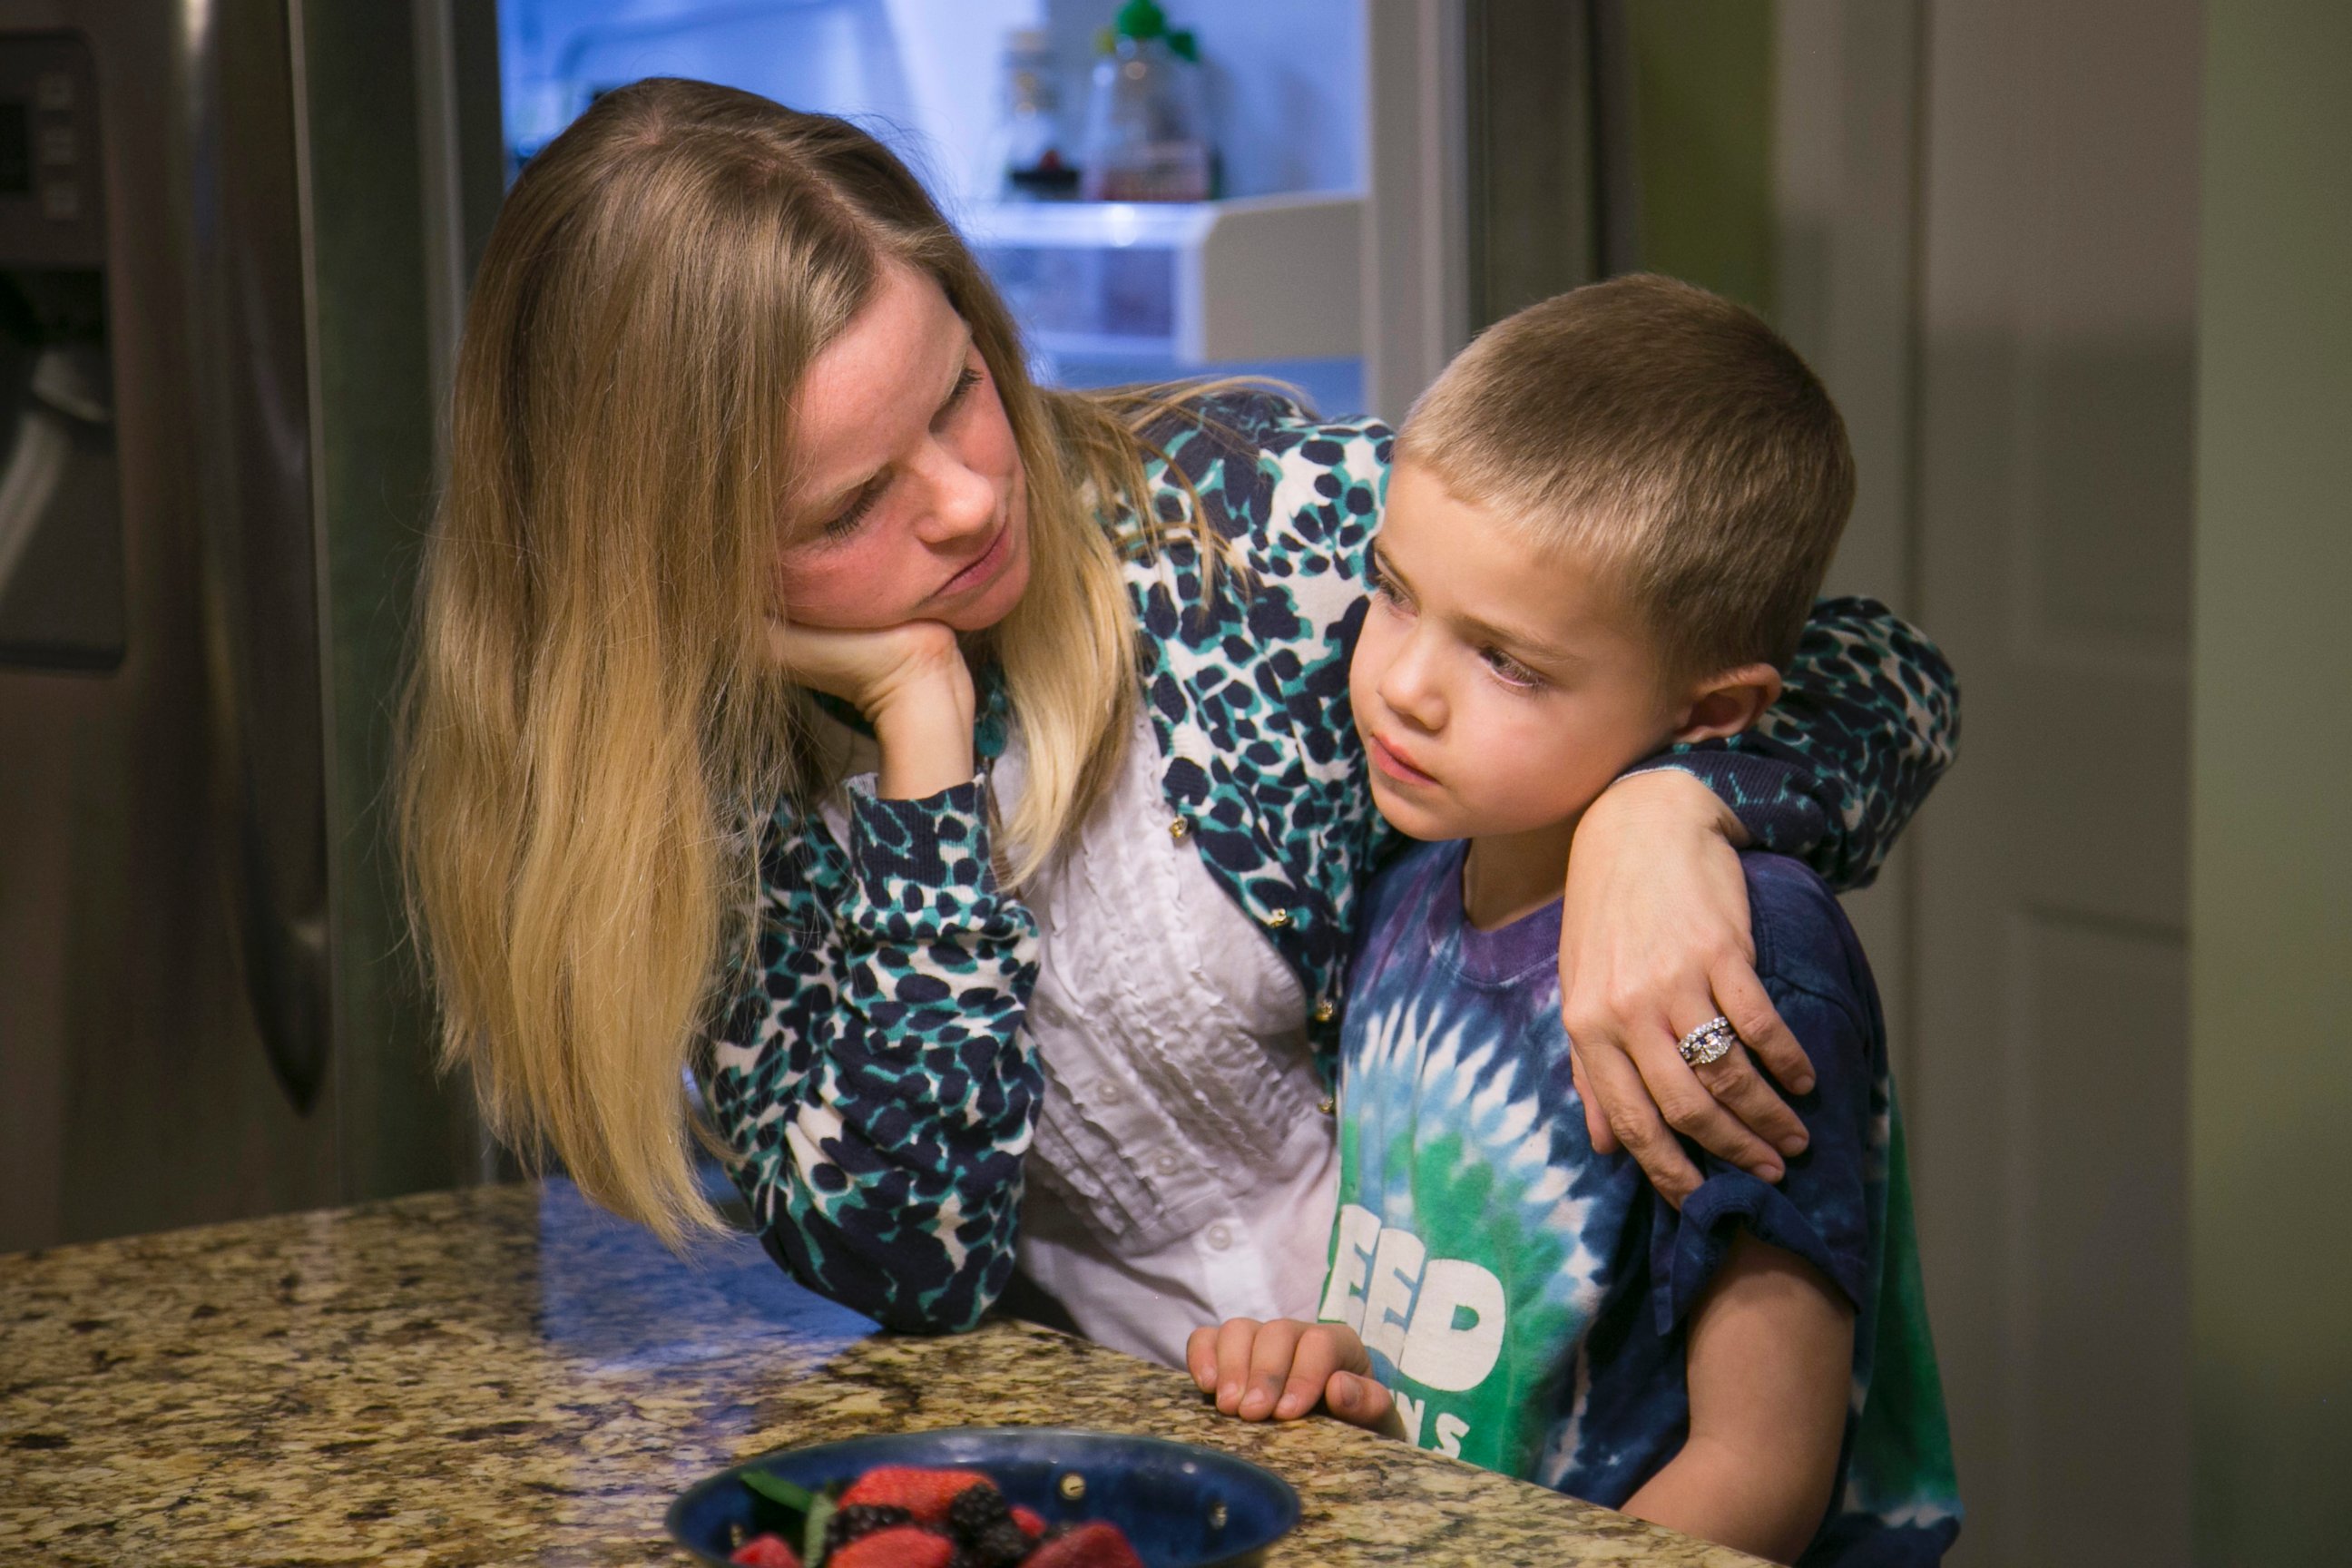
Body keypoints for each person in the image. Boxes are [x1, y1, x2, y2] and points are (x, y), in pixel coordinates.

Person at [397, 80, 1960, 1370]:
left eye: (954, 393)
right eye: (852, 503)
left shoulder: (1230, 526)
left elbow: (1885, 677)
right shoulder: (706, 826)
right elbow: (909, 1256)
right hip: (1152, 1483)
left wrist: (1664, 808)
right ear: (662, 569)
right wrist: (920, 742)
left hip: (1525, 1438)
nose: (965, 498)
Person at [1187, 277, 1960, 1564]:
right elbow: (1486, 1366)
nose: (1403, 685)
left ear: (1713, 714)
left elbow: (1762, 1473)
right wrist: (1343, 1380)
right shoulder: (1411, 886)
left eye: (1507, 660)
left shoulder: (1746, 962)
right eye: (1394, 590)